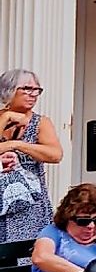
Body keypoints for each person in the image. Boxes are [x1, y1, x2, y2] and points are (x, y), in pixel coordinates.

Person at [0, 69, 64, 247]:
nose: (33, 94)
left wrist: (16, 145)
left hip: (29, 204)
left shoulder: (40, 122)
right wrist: (5, 117)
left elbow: (55, 155)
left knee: (27, 256)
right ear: (9, 90)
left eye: (37, 90)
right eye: (27, 89)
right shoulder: (2, 118)